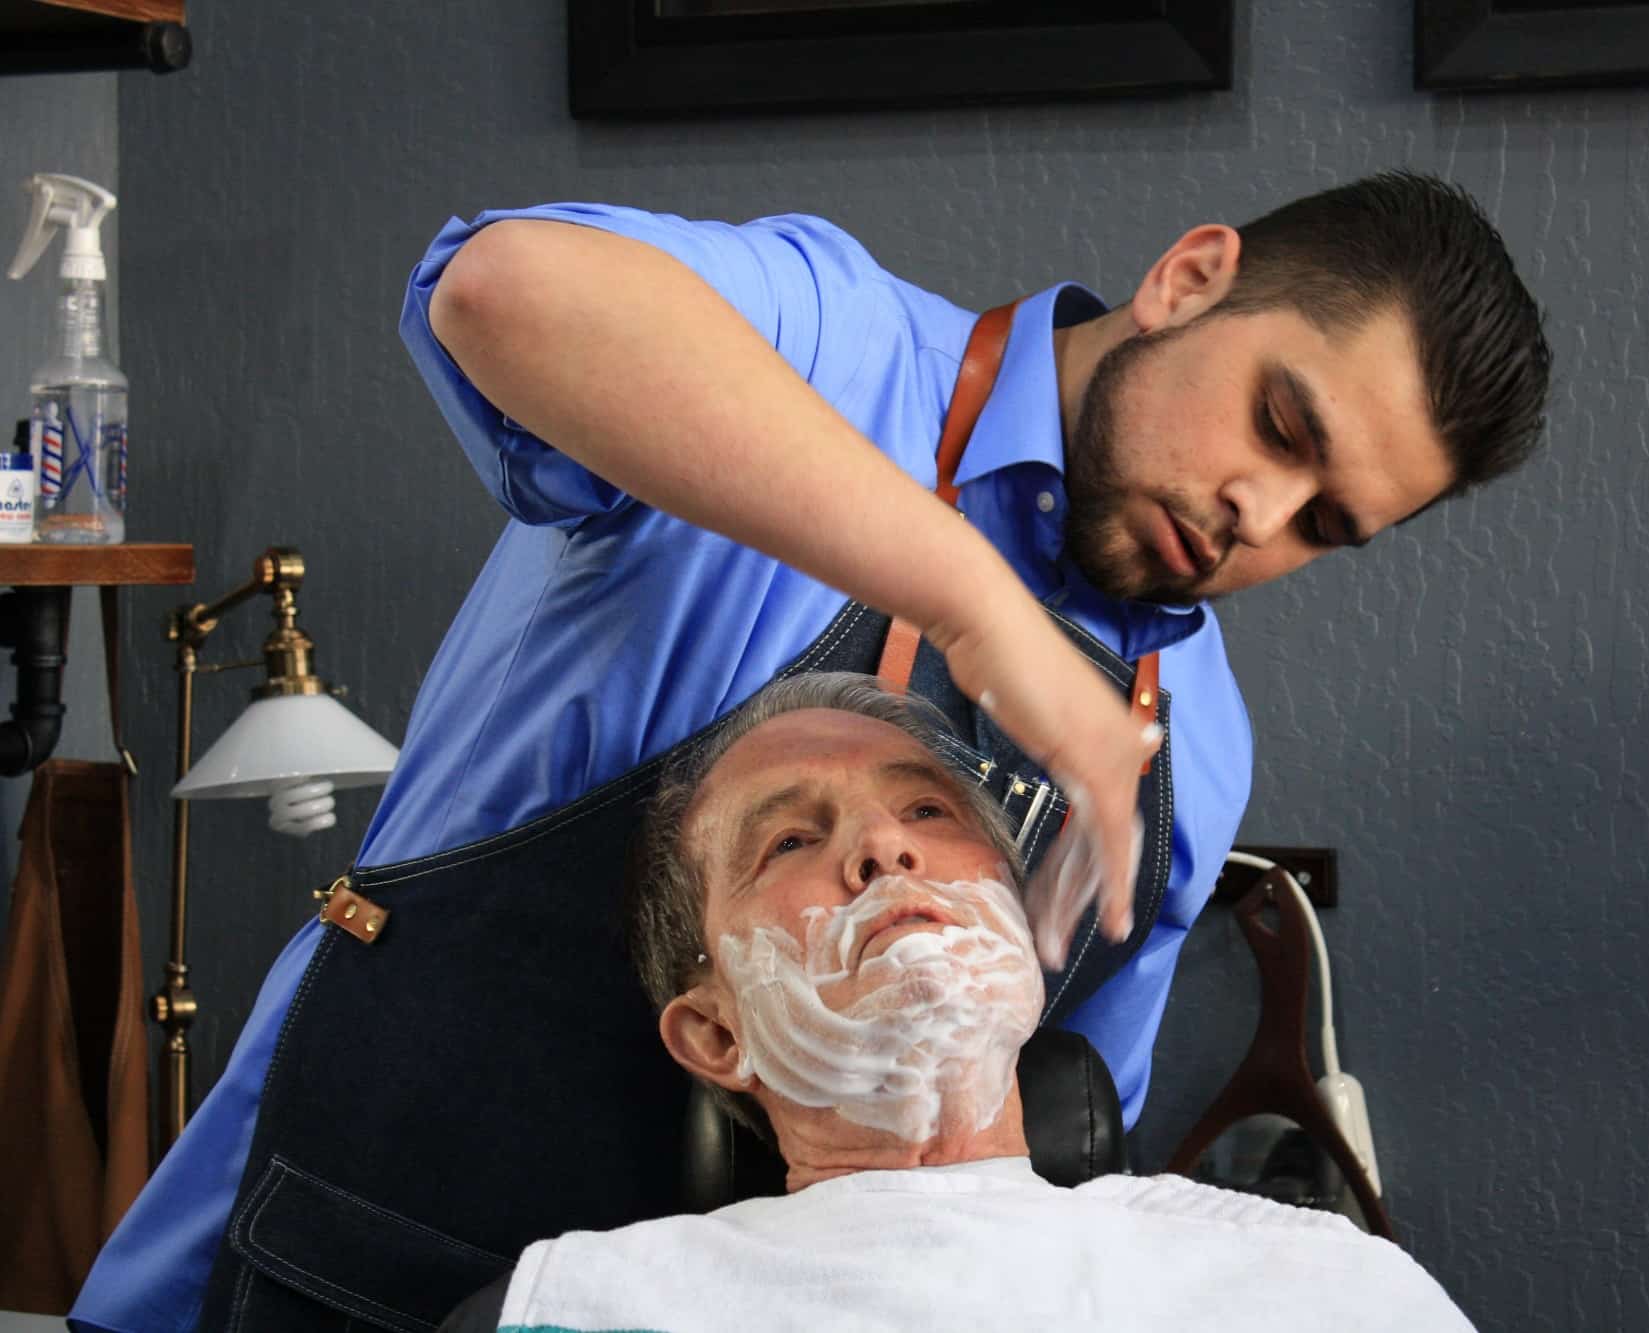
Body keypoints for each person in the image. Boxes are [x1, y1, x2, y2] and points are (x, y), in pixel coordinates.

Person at [75, 171, 1549, 1330]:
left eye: (1323, 527)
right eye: (1277, 423)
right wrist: (976, 604)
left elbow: (1041, 1159)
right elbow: (500, 290)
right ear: (1190, 279)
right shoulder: (836, 344)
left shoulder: (1184, 751)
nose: (1255, 514)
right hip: (352, 1252)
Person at [443, 671, 1478, 1332]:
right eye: (790, 840)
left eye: (928, 810)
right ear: (714, 1032)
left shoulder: (1310, 1283)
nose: (885, 849)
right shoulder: (582, 1307)